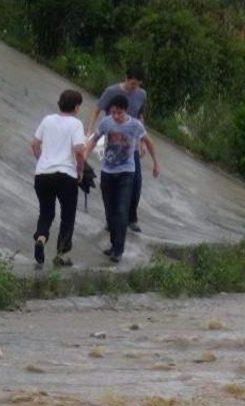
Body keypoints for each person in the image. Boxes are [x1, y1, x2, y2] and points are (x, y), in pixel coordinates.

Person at [85, 95, 160, 263]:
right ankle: (113, 245)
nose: (116, 116)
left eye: (119, 113)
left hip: (126, 172)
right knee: (110, 212)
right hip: (107, 172)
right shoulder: (106, 123)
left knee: (121, 210)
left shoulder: (135, 125)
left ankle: (118, 251)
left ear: (125, 111)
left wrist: (156, 163)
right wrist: (84, 157)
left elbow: (148, 142)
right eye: (113, 113)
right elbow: (93, 141)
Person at [86, 67, 156, 233]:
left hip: (131, 141)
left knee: (136, 180)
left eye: (138, 85)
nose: (134, 88)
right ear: (126, 78)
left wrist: (143, 142)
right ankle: (111, 218)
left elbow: (140, 115)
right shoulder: (112, 91)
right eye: (132, 84)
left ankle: (131, 218)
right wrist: (89, 130)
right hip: (114, 140)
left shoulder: (142, 94)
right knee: (110, 183)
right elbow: (97, 109)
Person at [30, 89, 85, 267]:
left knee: (46, 212)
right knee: (67, 215)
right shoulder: (76, 124)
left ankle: (41, 238)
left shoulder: (47, 120)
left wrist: (42, 161)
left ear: (59, 103)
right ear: (77, 107)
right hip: (65, 176)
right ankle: (60, 254)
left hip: (43, 174)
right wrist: (80, 170)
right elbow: (79, 151)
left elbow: (35, 144)